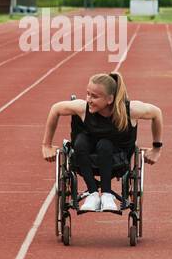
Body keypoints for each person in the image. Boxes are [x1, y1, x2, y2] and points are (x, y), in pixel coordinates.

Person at [41, 71, 162, 212]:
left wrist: (156, 148)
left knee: (105, 144)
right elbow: (55, 109)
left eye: (95, 96)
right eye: (88, 94)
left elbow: (157, 113)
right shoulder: (83, 108)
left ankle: (107, 194)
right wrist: (46, 145)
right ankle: (92, 194)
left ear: (109, 99)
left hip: (118, 160)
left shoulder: (130, 110)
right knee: (80, 141)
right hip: (85, 158)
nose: (89, 100)